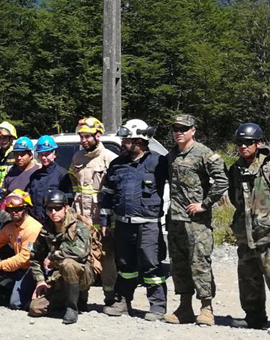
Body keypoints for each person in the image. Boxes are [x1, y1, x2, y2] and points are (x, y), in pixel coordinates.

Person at [101, 119, 168, 322]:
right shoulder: (117, 164)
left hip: (148, 224)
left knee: (151, 265)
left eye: (127, 140)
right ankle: (123, 301)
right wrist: (104, 221)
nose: (123, 143)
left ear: (139, 140)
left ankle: (157, 306)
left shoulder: (158, 162)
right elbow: (107, 194)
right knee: (124, 265)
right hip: (123, 224)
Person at [164, 114, 228, 326]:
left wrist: (205, 204)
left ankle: (206, 307)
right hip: (176, 220)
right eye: (175, 128)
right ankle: (184, 307)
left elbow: (221, 181)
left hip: (196, 222)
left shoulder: (203, 153)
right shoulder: (171, 155)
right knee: (179, 264)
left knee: (200, 263)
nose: (179, 132)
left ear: (193, 130)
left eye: (184, 128)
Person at [69, 117, 118, 307]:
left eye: (87, 137)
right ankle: (82, 298)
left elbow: (113, 193)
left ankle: (110, 298)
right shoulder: (77, 158)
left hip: (102, 221)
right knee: (81, 257)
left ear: (98, 135)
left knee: (107, 260)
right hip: (81, 219)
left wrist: (108, 220)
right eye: (81, 136)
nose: (83, 140)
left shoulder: (110, 159)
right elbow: (74, 185)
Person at [28, 190, 95, 325]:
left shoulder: (79, 226)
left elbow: (81, 252)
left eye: (58, 208)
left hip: (83, 274)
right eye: (50, 209)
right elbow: (34, 258)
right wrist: (40, 280)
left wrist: (53, 256)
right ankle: (66, 299)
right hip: (59, 278)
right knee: (35, 308)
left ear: (66, 208)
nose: (53, 212)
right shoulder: (46, 230)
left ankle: (72, 308)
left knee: (68, 264)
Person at [227, 123, 270, 329]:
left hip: (268, 233)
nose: (243, 146)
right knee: (248, 278)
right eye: (240, 143)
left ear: (259, 143)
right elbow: (235, 199)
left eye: (248, 142)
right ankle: (254, 318)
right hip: (246, 233)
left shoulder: (268, 166)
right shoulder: (236, 168)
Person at [0, 190, 43, 310]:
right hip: (19, 269)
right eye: (10, 209)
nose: (14, 212)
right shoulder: (10, 227)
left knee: (16, 304)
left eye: (18, 209)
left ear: (26, 209)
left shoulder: (33, 228)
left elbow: (24, 258)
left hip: (33, 269)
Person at [26, 135, 71, 226]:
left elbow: (68, 202)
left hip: (55, 224)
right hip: (36, 224)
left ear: (54, 154)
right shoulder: (34, 176)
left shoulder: (63, 175)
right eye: (41, 155)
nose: (43, 158)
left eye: (47, 154)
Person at [0, 121, 18, 186]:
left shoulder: (17, 154)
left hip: (12, 192)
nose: (2, 141)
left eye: (5, 137)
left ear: (11, 138)